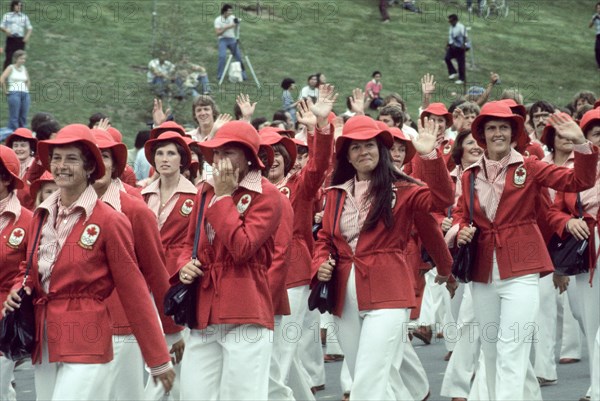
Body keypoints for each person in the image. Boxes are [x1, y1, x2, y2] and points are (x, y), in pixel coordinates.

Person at [2, 124, 175, 400]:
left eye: (71, 159)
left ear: (90, 168)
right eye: (56, 158)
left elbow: (134, 289)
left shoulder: (111, 219)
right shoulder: (41, 215)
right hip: (43, 339)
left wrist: (158, 356)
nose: (61, 166)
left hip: (87, 338)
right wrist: (18, 287)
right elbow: (31, 268)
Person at [456, 103, 598, 400]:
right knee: (492, 348)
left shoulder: (530, 166)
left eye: (504, 128)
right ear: (481, 134)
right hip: (483, 269)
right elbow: (461, 213)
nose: (498, 133)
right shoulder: (469, 175)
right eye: (491, 128)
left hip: (521, 268)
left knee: (513, 346)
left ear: (514, 133)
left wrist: (582, 145)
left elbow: (578, 181)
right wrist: (460, 230)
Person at [313, 114, 454, 400]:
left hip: (390, 290)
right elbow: (325, 238)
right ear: (347, 157)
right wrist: (320, 264)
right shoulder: (336, 193)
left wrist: (429, 156)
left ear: (381, 151)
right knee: (368, 373)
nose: (363, 152)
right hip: (344, 293)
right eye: (355, 147)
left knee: (368, 377)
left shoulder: (404, 189)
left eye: (370, 145)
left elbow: (442, 200)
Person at [176, 121, 282, 400]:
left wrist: (224, 197)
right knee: (193, 393)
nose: (221, 160)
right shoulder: (205, 190)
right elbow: (189, 243)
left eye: (230, 152)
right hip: (204, 308)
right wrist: (183, 265)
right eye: (218, 153)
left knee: (242, 394)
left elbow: (242, 247)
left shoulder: (267, 194)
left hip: (245, 307)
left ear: (248, 157)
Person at [547, 107, 600, 401]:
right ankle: (596, 385)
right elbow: (553, 210)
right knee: (590, 320)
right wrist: (568, 221)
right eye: (596, 134)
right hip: (586, 249)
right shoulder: (572, 171)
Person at [0, 145, 32, 401]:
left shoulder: (28, 221)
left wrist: (19, 289)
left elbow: (31, 269)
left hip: (4, 316)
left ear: (6, 178)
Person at [5, 127, 36, 209]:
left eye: (23, 145)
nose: (19, 149)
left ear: (31, 148)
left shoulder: (37, 169)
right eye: (15, 145)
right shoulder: (7, 168)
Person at [215, 4, 246, 82]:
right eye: (229, 11)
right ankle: (220, 75)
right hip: (223, 39)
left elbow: (236, 23)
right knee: (222, 56)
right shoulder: (218, 20)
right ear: (225, 12)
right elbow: (218, 33)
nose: (231, 12)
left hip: (232, 39)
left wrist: (238, 22)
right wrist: (227, 27)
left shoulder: (232, 18)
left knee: (238, 56)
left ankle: (243, 75)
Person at [0, 49, 29, 132]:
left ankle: (23, 132)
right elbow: (2, 79)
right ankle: (13, 132)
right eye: (21, 58)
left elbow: (27, 80)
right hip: (14, 93)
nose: (23, 60)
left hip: (24, 93)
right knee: (14, 116)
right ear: (16, 58)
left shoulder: (24, 68)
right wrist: (5, 90)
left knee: (23, 115)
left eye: (24, 59)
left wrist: (26, 89)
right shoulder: (11, 67)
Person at [0, 1, 31, 71]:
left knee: (20, 57)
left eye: (20, 6)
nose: (19, 7)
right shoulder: (7, 15)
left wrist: (27, 37)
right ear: (13, 6)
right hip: (11, 39)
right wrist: (6, 30)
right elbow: (1, 26)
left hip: (20, 39)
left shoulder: (24, 17)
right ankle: (5, 75)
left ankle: (17, 73)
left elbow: (29, 28)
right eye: (17, 5)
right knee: (9, 57)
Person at [445, 14, 467, 85]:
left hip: (460, 47)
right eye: (449, 21)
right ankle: (453, 72)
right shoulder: (451, 27)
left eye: (451, 21)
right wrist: (448, 45)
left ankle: (462, 79)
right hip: (453, 46)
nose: (450, 22)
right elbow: (450, 37)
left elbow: (465, 36)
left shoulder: (461, 27)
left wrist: (463, 45)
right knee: (447, 58)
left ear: (456, 20)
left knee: (460, 63)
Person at [590, 2, 600, 68]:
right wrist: (593, 19)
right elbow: (590, 26)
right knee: (597, 49)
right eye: (598, 8)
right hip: (598, 35)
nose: (599, 9)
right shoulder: (595, 16)